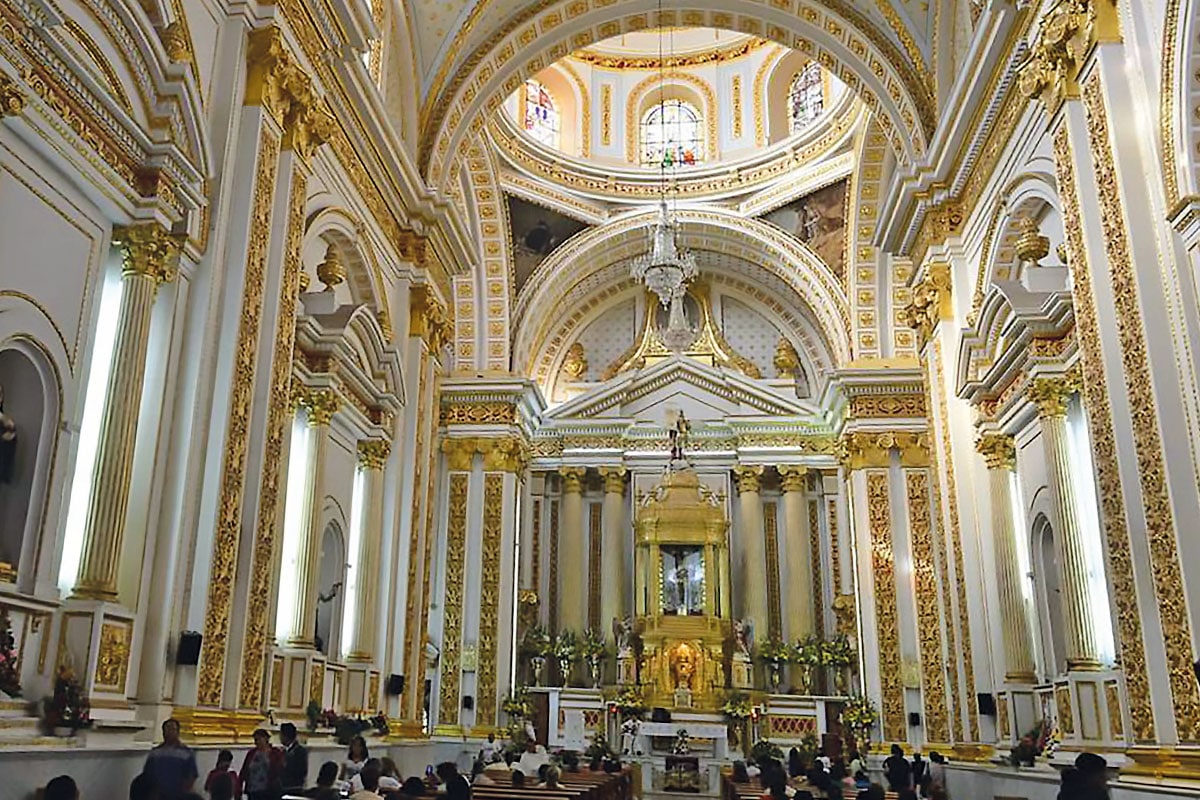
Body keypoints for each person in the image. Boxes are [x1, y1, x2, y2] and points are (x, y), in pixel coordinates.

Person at [142, 719, 200, 800]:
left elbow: (191, 776)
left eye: (172, 729)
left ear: (178, 732)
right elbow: (147, 775)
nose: (169, 732)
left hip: (179, 795)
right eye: (166, 729)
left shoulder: (186, 753)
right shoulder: (155, 753)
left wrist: (184, 793)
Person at [239, 728, 282, 800]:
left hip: (269, 790)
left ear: (266, 739)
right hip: (253, 790)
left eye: (259, 739)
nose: (257, 742)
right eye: (255, 740)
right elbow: (244, 771)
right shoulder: (251, 753)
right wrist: (239, 786)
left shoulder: (275, 753)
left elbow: (278, 769)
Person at [278, 722, 308, 793]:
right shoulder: (283, 751)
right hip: (283, 787)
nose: (280, 737)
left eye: (281, 735)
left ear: (285, 736)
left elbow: (302, 770)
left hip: (294, 787)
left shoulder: (300, 751)